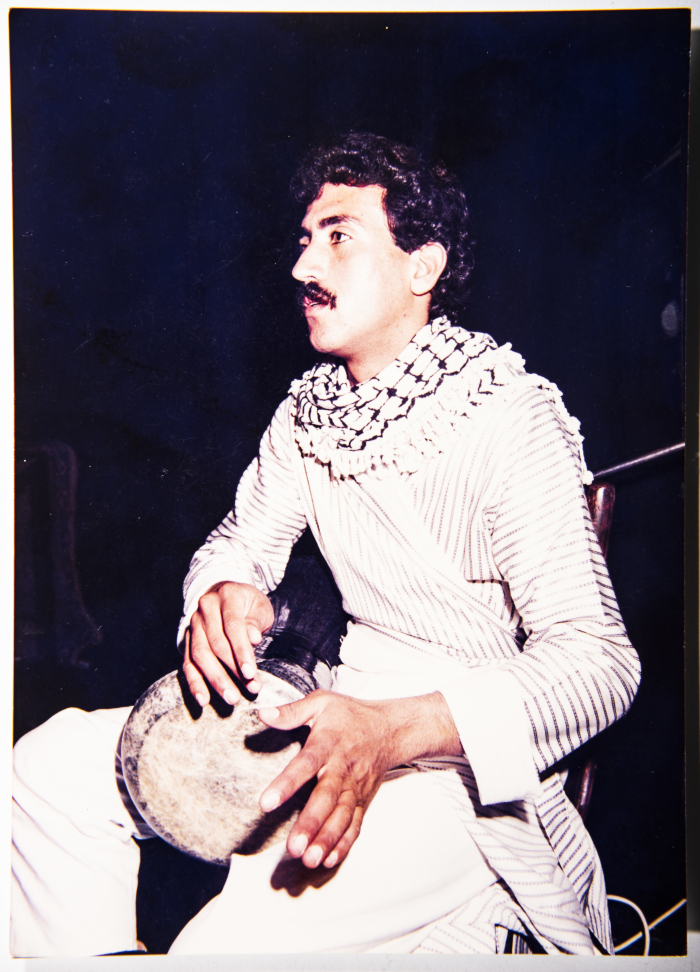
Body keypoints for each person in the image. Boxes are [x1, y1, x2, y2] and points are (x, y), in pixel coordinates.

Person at [11, 132, 641, 956]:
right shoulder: (308, 416)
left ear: (422, 268)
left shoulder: (508, 413)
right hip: (324, 710)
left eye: (340, 236)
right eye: (306, 240)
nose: (305, 266)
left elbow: (600, 663)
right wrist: (225, 587)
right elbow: (238, 540)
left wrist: (393, 730)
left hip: (456, 774)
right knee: (48, 768)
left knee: (222, 950)